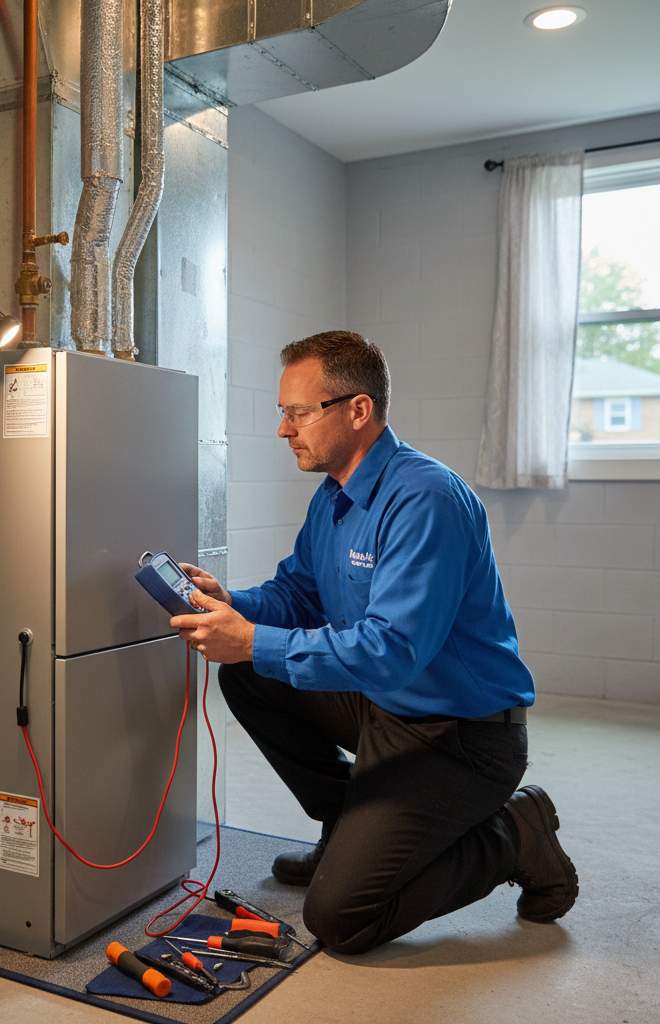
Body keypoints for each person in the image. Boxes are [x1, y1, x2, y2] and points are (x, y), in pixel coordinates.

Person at [171, 330, 578, 955]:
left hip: (462, 736)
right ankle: (347, 827)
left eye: (298, 412)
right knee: (250, 675)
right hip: (387, 708)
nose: (285, 429)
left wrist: (252, 640)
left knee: (342, 920)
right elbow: (298, 595)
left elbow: (392, 650)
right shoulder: (334, 496)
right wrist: (234, 606)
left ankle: (514, 834)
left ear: (357, 410)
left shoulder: (426, 498)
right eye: (283, 413)